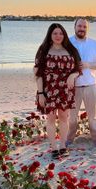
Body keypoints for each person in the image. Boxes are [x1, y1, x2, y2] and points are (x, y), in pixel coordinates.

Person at [33, 23, 81, 159]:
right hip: (48, 90)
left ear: (64, 35)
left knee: (64, 119)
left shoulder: (71, 50)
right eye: (55, 33)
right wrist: (41, 93)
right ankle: (54, 147)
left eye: (61, 33)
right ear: (50, 35)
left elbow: (79, 69)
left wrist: (73, 75)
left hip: (66, 90)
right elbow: (38, 73)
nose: (58, 36)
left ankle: (63, 146)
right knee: (50, 119)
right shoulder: (43, 50)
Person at [66, 18, 96, 149]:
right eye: (79, 26)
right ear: (74, 27)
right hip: (73, 87)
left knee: (92, 117)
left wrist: (88, 64)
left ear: (87, 29)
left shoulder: (95, 44)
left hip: (90, 86)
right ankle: (69, 138)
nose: (81, 28)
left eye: (84, 26)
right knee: (71, 117)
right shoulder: (67, 43)